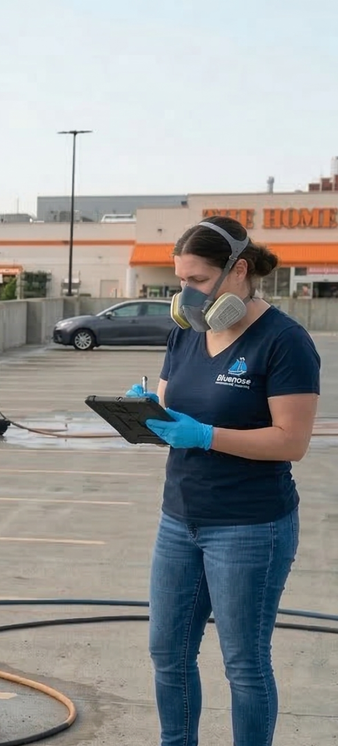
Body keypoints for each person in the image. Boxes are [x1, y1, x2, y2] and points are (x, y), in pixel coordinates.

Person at [129, 215, 320, 746]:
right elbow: (171, 408)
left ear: (238, 271)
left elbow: (291, 442)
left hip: (250, 525)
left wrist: (207, 436)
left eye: (196, 281)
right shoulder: (186, 335)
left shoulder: (284, 341)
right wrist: (144, 411)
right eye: (180, 280)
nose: (184, 293)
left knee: (245, 664)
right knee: (168, 654)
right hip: (179, 519)